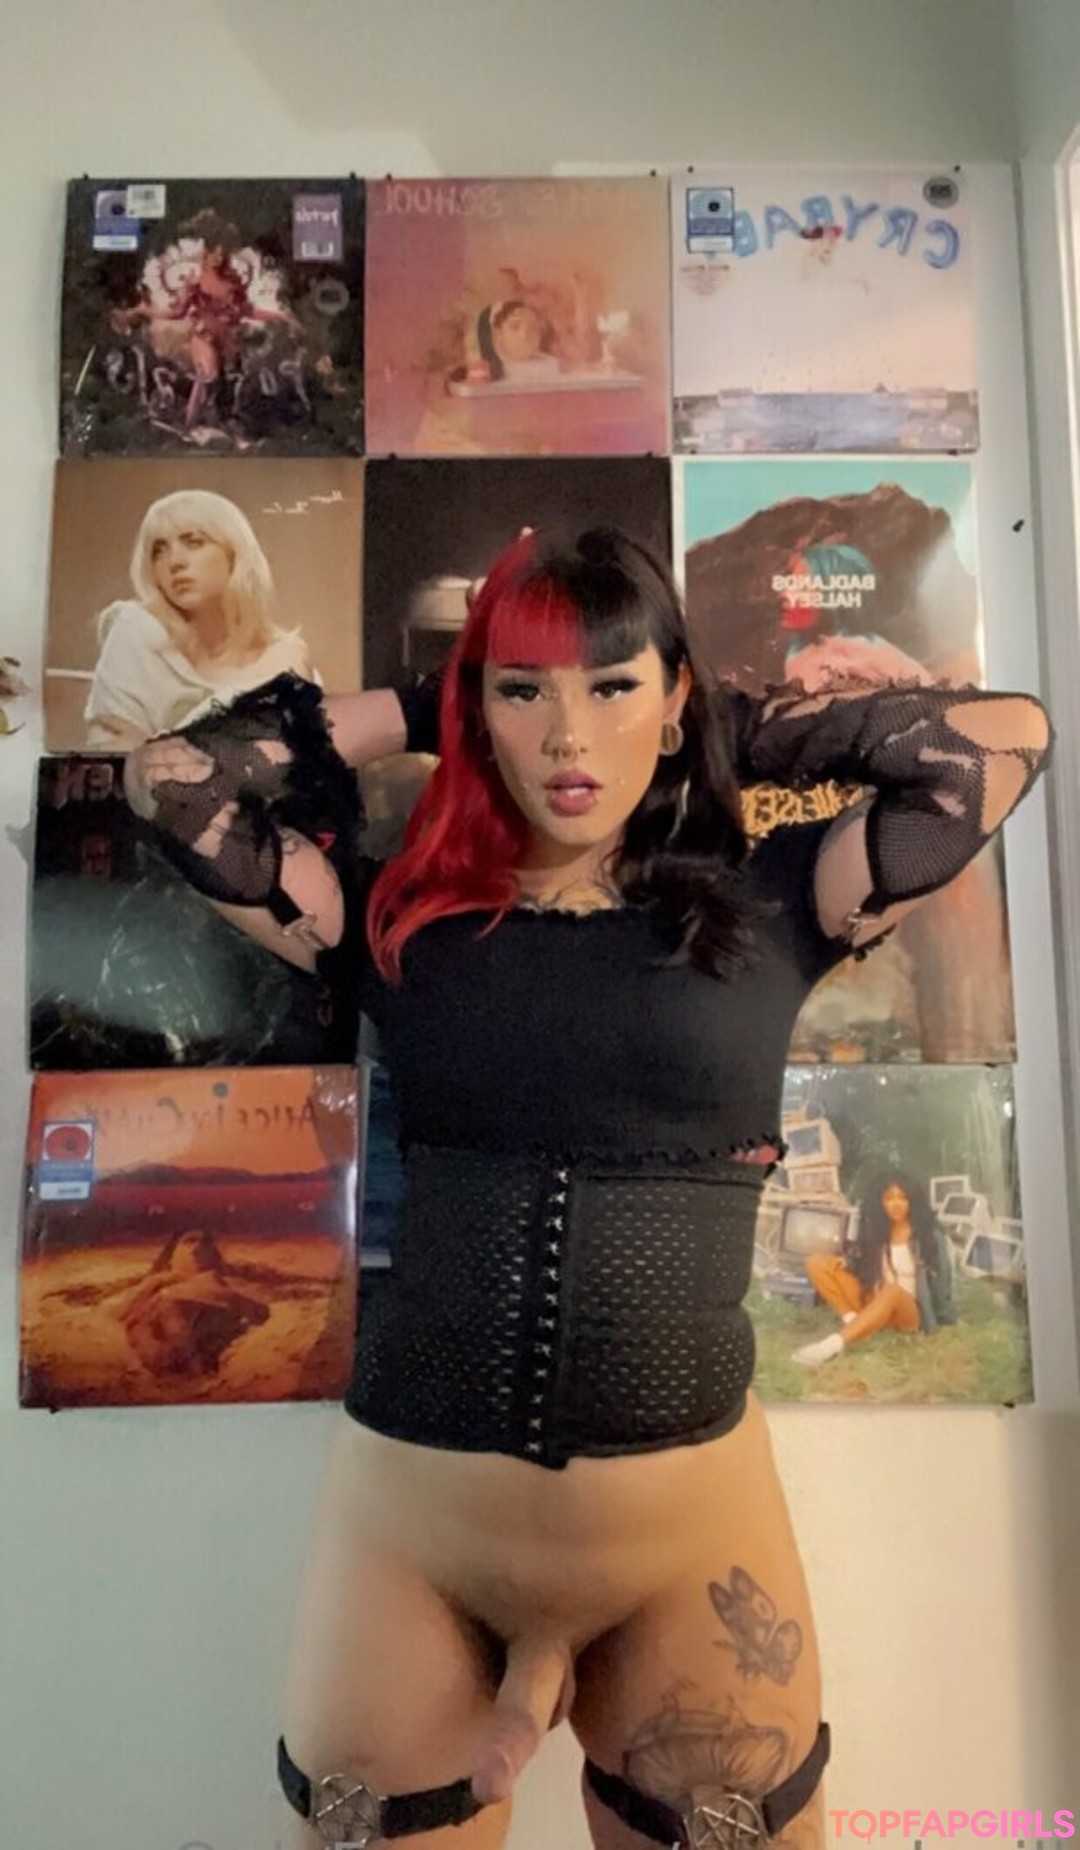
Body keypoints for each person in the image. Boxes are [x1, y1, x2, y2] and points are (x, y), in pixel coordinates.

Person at [123, 527, 1049, 1849]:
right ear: (483, 712)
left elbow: (1001, 740)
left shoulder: (778, 902)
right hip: (414, 1560)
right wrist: (434, 701)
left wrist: (718, 724)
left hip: (688, 1567)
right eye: (524, 690)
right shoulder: (392, 917)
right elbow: (174, 779)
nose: (568, 733)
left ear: (670, 701)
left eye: (612, 685)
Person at [84, 488, 314, 750]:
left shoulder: (285, 657)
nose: (174, 562)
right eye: (159, 551)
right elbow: (113, 750)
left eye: (193, 542)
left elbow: (292, 760)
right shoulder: (137, 632)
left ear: (234, 552)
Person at [794, 1174, 956, 1368]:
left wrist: (943, 1320)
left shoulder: (928, 1235)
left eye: (903, 1197)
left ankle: (832, 1345)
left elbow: (942, 1280)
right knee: (817, 1262)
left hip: (909, 1311)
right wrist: (847, 1262)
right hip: (876, 1300)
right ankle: (854, 1322)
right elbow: (862, 1259)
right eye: (889, 1198)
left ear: (913, 1200)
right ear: (880, 1202)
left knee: (892, 1291)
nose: (896, 1204)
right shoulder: (877, 1231)